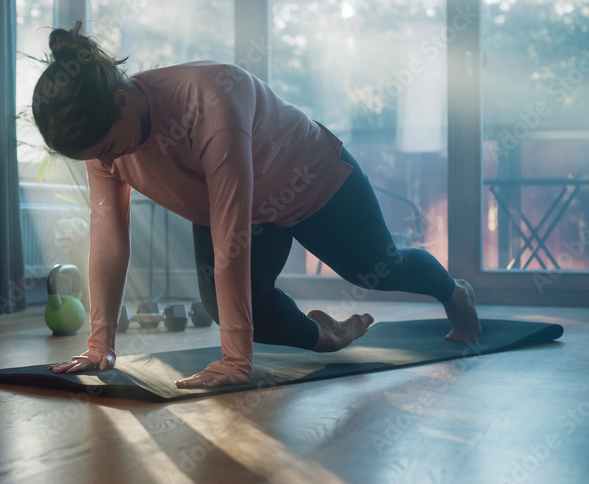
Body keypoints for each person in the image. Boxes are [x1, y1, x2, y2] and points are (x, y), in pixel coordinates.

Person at [34, 22, 481, 389]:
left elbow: (232, 242)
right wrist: (100, 345)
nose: (108, 162)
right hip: (234, 207)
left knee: (381, 270)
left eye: (110, 148)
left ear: (122, 100)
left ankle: (454, 291)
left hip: (312, 181)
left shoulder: (209, 100)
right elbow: (110, 238)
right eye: (97, 156)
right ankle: (328, 334)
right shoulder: (101, 143)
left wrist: (235, 362)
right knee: (244, 311)